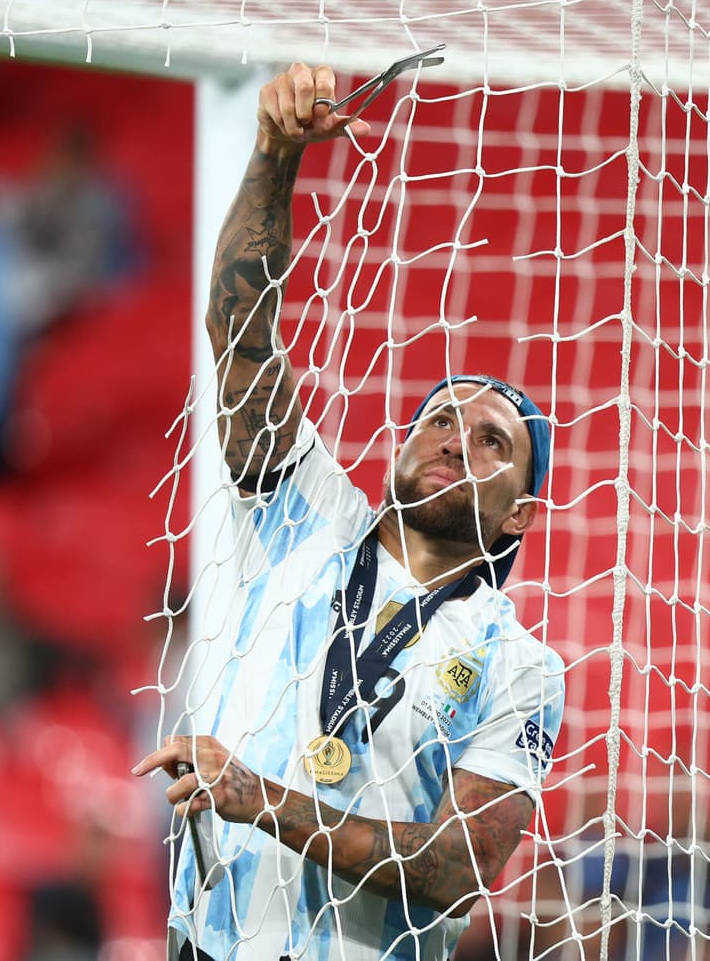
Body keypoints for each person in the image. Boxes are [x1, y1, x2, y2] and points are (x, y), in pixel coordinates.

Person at [131, 62, 566, 960]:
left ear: (519, 515)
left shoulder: (517, 662)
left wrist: (262, 799)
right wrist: (275, 155)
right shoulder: (310, 514)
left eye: (492, 441)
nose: (455, 437)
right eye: (440, 417)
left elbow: (456, 870)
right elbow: (239, 330)